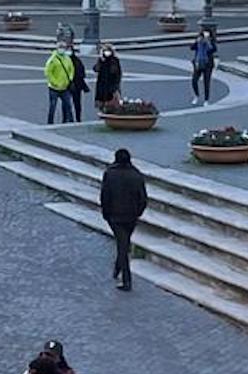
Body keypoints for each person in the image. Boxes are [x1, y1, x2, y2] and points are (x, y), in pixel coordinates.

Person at [99, 148, 147, 292]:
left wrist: (105, 213)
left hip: (115, 216)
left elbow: (105, 196)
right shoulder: (136, 175)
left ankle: (126, 280)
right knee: (124, 244)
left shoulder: (110, 174)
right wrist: (138, 213)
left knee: (123, 246)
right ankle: (117, 269)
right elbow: (143, 198)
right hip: (131, 216)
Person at [45, 43, 75, 125]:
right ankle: (50, 122)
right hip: (54, 88)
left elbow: (71, 69)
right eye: (60, 47)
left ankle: (69, 121)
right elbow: (48, 72)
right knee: (53, 106)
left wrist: (70, 79)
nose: (62, 49)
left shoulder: (67, 58)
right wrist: (55, 83)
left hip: (65, 87)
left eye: (63, 48)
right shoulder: (53, 59)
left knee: (68, 105)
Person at [190, 29, 217, 106]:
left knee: (206, 82)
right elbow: (192, 48)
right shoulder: (199, 41)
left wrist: (208, 42)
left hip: (208, 64)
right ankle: (196, 95)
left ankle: (206, 99)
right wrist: (196, 41)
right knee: (194, 80)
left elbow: (213, 49)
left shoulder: (211, 42)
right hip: (198, 62)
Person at [94, 43, 123, 109]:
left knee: (111, 106)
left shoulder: (114, 60)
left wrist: (116, 87)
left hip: (111, 87)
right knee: (101, 105)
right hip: (102, 87)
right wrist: (100, 61)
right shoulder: (101, 60)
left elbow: (115, 72)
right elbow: (96, 69)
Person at [69, 44, 91, 122]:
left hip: (72, 84)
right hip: (75, 84)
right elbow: (82, 73)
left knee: (71, 103)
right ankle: (76, 118)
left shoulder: (75, 61)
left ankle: (72, 118)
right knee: (76, 103)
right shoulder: (77, 60)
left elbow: (81, 73)